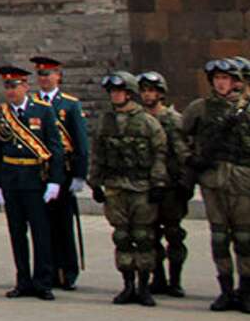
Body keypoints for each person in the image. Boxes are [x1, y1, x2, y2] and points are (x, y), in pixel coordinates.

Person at [179, 56, 250, 311]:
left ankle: (246, 289)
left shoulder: (246, 108)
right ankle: (226, 289)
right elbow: (180, 135)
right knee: (219, 237)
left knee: (244, 238)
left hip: (243, 180)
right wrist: (189, 158)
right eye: (218, 79)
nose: (221, 84)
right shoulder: (200, 108)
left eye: (226, 79)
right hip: (213, 180)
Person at [0, 63, 64, 300]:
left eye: (15, 85)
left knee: (41, 233)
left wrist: (55, 181)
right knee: (17, 233)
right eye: (7, 86)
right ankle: (23, 280)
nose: (11, 91)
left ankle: (43, 281)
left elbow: (55, 148)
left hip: (35, 181)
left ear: (25, 86)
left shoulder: (42, 111)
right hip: (12, 181)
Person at [92, 71, 166, 306]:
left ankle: (144, 286)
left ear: (129, 93)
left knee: (143, 237)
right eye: (112, 92)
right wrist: (95, 183)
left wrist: (158, 184)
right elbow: (98, 154)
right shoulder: (106, 121)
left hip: (141, 188)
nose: (115, 96)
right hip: (115, 188)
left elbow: (159, 154)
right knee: (122, 237)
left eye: (119, 91)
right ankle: (128, 285)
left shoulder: (146, 121)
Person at [32, 56, 89, 289]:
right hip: (38, 174)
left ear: (58, 76)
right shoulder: (32, 103)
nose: (44, 79)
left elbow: (80, 142)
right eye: (41, 75)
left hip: (63, 172)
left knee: (63, 225)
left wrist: (79, 174)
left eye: (49, 74)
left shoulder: (69, 105)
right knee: (42, 226)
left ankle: (68, 272)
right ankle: (47, 271)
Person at [138, 70, 191, 298]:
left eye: (152, 91)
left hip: (170, 186)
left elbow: (184, 153)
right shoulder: (137, 119)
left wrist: (185, 183)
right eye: (144, 91)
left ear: (161, 94)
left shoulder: (173, 120)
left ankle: (175, 280)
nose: (148, 95)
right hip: (146, 185)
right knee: (149, 235)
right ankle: (157, 277)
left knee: (174, 234)